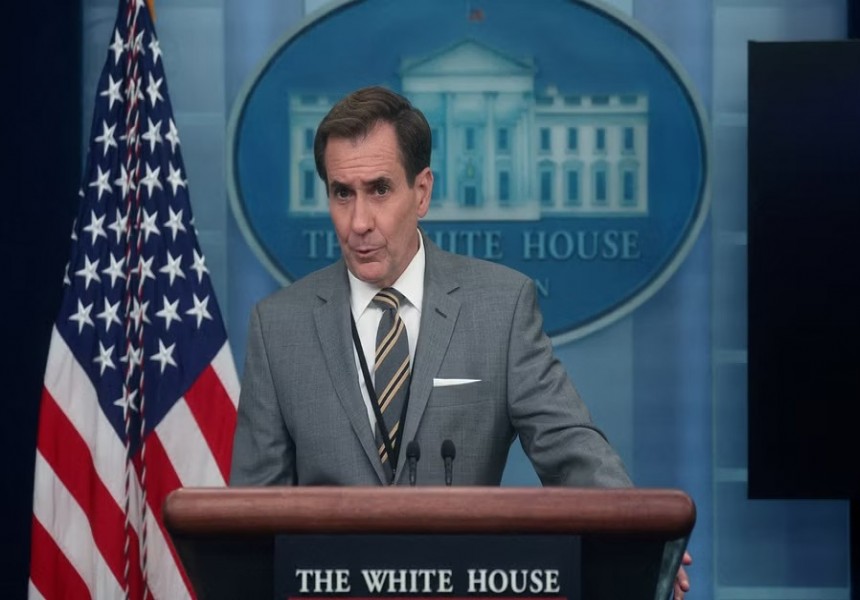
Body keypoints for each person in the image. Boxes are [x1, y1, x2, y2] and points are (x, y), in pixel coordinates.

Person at [229, 85, 689, 597]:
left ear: (421, 192)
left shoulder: (500, 306)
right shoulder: (279, 326)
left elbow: (570, 447)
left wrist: (637, 534)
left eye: (379, 189)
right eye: (343, 193)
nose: (358, 222)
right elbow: (250, 514)